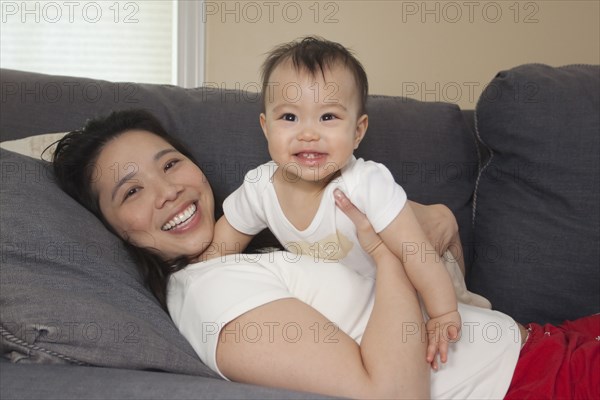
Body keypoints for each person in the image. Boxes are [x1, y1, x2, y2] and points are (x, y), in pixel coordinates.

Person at [52, 109, 599, 399]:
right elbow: (391, 394)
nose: (167, 190)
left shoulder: (236, 252)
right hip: (529, 383)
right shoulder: (209, 298)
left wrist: (430, 228)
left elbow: (433, 232)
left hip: (538, 341)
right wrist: (390, 257)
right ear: (113, 230)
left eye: (169, 164)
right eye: (131, 191)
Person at [214, 36, 486, 366]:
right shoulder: (259, 187)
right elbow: (220, 248)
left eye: (327, 117)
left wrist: (444, 311)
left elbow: (416, 251)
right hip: (360, 301)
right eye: (289, 117)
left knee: (467, 332)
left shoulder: (365, 182)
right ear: (265, 127)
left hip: (423, 277)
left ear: (358, 132)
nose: (308, 133)